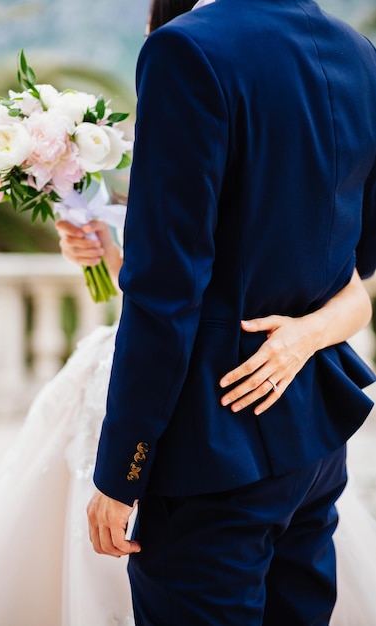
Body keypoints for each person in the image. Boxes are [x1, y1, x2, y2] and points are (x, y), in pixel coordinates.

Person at [85, 0, 376, 624]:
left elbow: (165, 292)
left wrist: (120, 470)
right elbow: (362, 255)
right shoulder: (359, 54)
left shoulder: (186, 49)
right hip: (313, 449)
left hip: (212, 450)